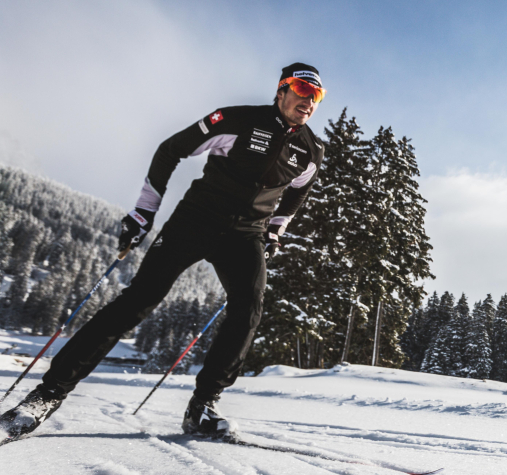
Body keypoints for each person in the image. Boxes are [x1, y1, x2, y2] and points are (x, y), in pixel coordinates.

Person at [0, 63, 327, 440]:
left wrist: (274, 232)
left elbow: (298, 193)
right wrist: (144, 210)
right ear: (282, 90)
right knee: (138, 301)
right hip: (196, 221)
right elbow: (171, 149)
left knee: (249, 306)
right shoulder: (236, 120)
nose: (308, 101)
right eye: (303, 89)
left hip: (245, 235)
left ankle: (203, 406)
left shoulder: (310, 151)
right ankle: (46, 396)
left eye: (317, 96)